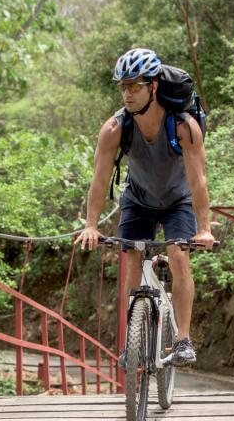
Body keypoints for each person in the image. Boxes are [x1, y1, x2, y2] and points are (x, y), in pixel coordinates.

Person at [75, 48, 215, 366]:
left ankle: (182, 341)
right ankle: (133, 342)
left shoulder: (183, 127)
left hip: (177, 199)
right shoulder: (115, 129)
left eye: (135, 85)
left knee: (179, 257)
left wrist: (204, 228)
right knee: (133, 263)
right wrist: (91, 225)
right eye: (123, 86)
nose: (128, 93)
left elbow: (198, 182)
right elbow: (98, 182)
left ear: (153, 86)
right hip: (137, 199)